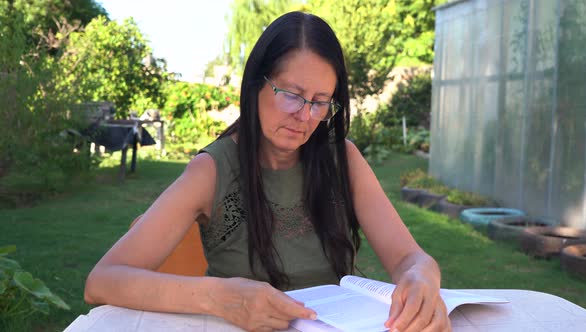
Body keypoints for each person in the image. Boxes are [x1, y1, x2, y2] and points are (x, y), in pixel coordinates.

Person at [84, 11, 451, 332]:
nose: (305, 116)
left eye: (321, 102)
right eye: (291, 94)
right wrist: (217, 297)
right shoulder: (212, 171)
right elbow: (103, 280)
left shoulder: (343, 160)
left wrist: (420, 278)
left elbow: (410, 258)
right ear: (255, 84)